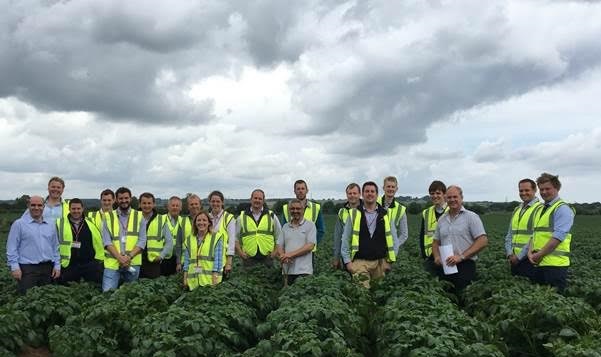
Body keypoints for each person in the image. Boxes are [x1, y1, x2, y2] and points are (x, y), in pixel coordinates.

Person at [341, 181, 397, 288]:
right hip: (359, 262)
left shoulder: (386, 214)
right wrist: (348, 263)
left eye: (372, 191)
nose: (370, 194)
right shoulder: (353, 214)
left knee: (378, 294)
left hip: (380, 263)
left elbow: (394, 240)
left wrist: (389, 262)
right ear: (362, 194)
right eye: (367, 191)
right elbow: (345, 239)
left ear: (377, 194)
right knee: (362, 295)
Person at [432, 185, 488, 292]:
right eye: (449, 197)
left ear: (461, 198)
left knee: (462, 297)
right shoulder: (442, 219)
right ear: (445, 199)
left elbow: (483, 240)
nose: (452, 200)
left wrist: (461, 257)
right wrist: (437, 257)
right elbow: (435, 241)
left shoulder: (471, 217)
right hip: (446, 266)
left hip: (465, 265)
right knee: (446, 297)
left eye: (455, 197)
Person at [528, 173, 575, 292]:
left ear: (557, 188)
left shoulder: (562, 209)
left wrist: (538, 255)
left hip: (555, 266)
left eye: (547, 188)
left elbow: (557, 237)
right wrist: (529, 252)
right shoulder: (540, 209)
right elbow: (535, 234)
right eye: (541, 189)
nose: (544, 192)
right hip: (539, 263)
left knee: (555, 304)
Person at [7, 196, 61, 294]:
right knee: (26, 300)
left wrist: (57, 266)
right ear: (28, 206)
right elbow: (12, 247)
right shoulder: (19, 224)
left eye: (39, 205)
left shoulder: (51, 224)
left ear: (44, 207)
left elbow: (55, 247)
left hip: (47, 268)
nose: (36, 208)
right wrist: (14, 267)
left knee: (47, 298)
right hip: (27, 269)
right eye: (33, 205)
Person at [101, 187, 147, 292]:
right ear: (116, 200)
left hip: (132, 263)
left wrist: (128, 257)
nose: (124, 201)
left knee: (130, 296)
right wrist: (120, 258)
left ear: (130, 198)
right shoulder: (108, 217)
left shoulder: (140, 216)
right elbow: (107, 242)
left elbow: (142, 241)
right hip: (112, 263)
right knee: (107, 294)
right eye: (121, 198)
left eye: (126, 198)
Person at [57, 198, 104, 284]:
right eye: (73, 209)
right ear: (69, 209)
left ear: (82, 209)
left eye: (78, 208)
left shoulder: (91, 222)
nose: (76, 211)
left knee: (92, 290)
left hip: (89, 264)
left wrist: (98, 261)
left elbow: (98, 241)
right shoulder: (60, 223)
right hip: (69, 265)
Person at [504, 179, 541, 279]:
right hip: (513, 260)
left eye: (527, 190)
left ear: (534, 190)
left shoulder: (539, 209)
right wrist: (509, 253)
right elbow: (509, 234)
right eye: (521, 191)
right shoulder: (517, 209)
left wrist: (519, 256)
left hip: (529, 260)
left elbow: (535, 236)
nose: (523, 193)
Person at [236, 189, 282, 268]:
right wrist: (241, 253)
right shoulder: (241, 217)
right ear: (251, 199)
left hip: (267, 258)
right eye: (255, 198)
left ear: (263, 201)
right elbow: (235, 238)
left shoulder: (271, 216)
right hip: (248, 259)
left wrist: (274, 253)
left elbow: (280, 236)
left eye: (260, 199)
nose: (257, 200)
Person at [277, 199, 316, 285]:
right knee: (288, 296)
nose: (295, 211)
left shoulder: (310, 225)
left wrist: (290, 255)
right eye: (292, 209)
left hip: (304, 271)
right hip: (288, 270)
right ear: (289, 210)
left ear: (303, 210)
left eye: (298, 209)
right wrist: (283, 256)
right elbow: (279, 245)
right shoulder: (285, 227)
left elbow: (310, 246)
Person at [183, 212, 225, 290]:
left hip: (210, 282)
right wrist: (185, 279)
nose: (201, 223)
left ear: (209, 223)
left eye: (204, 220)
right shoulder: (189, 239)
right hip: (193, 282)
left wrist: (215, 279)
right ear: (195, 223)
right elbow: (186, 262)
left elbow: (218, 261)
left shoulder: (216, 237)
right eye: (198, 220)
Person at [139, 192, 172, 279]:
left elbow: (169, 242)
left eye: (149, 203)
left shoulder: (161, 220)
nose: (147, 206)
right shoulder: (133, 218)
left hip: (153, 261)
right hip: (136, 260)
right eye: (144, 203)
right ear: (140, 204)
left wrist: (161, 256)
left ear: (154, 204)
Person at [281, 180, 325, 244]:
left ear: (307, 191)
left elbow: (320, 230)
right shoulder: (286, 208)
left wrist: (311, 244)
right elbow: (284, 230)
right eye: (298, 189)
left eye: (303, 188)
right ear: (294, 191)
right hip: (291, 248)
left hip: (309, 249)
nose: (300, 191)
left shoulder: (316, 208)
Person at [419, 180, 448, 274]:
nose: (435, 196)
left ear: (444, 194)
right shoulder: (426, 213)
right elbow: (422, 235)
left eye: (438, 193)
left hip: (448, 255)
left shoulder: (451, 210)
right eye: (432, 193)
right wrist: (424, 255)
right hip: (430, 257)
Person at [332, 183, 361, 269]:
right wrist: (336, 257)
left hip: (364, 254)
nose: (352, 196)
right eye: (350, 193)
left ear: (359, 194)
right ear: (347, 195)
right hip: (347, 255)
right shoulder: (342, 212)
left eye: (355, 193)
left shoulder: (366, 209)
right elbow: (337, 236)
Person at [377, 176, 408, 252]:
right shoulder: (375, 202)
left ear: (396, 189)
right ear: (383, 188)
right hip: (372, 248)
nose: (390, 189)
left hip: (389, 252)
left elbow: (404, 234)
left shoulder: (401, 209)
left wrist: (394, 245)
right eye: (388, 186)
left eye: (393, 187)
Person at [208, 191, 235, 276]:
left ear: (222, 202)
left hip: (222, 261)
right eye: (213, 201)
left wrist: (229, 263)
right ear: (209, 202)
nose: (215, 204)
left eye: (218, 201)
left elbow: (231, 241)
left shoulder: (228, 218)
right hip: (208, 260)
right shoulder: (206, 217)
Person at [162, 196, 183, 275]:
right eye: (173, 205)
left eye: (177, 206)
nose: (175, 208)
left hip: (179, 258)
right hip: (164, 258)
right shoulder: (161, 219)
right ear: (168, 207)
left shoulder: (184, 221)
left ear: (181, 208)